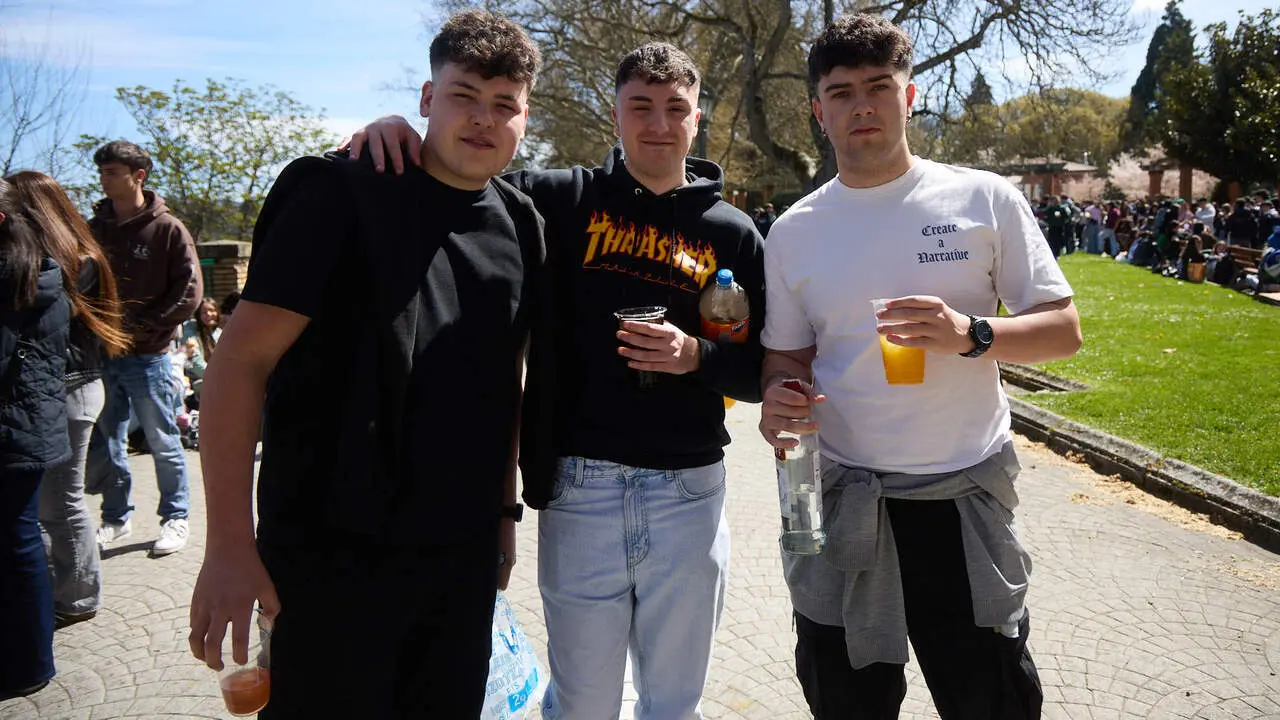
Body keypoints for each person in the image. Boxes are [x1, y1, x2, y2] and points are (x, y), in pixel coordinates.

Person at [347, 41, 765, 720]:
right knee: (583, 703)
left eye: (675, 108)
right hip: (580, 486)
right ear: (616, 114)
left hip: (690, 489)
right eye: (641, 107)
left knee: (674, 702)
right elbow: (455, 174)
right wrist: (391, 134)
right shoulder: (556, 199)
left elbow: (757, 372)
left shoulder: (735, 233)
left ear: (697, 119)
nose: (658, 123)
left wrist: (696, 357)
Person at [187, 11, 545, 718]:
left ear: (524, 117)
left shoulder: (522, 223)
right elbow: (240, 363)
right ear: (425, 98)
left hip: (460, 558)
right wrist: (228, 545)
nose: (482, 118)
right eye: (463, 94)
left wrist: (503, 516)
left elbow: (505, 381)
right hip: (329, 554)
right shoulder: (340, 191)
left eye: (504, 104)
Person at [757, 14, 1081, 719]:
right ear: (819, 112)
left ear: (909, 98)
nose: (861, 105)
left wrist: (972, 333)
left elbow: (1063, 330)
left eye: (879, 86)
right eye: (840, 92)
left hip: (961, 501)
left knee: (990, 700)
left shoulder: (984, 198)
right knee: (846, 701)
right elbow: (787, 354)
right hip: (844, 500)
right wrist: (779, 394)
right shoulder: (794, 230)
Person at [8, 171, 129, 630]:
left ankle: (78, 597)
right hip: (64, 389)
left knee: (62, 502)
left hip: (73, 388)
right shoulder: (60, 256)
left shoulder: (75, 260)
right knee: (52, 503)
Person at [86, 140, 201, 555]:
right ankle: (116, 518)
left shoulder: (167, 229)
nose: (103, 179)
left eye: (112, 171)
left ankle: (176, 517)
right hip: (102, 355)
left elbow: (189, 291)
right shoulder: (94, 229)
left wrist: (144, 328)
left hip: (149, 357)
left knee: (163, 439)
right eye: (101, 172)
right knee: (107, 440)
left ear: (138, 176)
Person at [0, 176, 71, 700]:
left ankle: (28, 662)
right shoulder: (32, 271)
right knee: (19, 539)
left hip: (16, 426)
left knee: (20, 541)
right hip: (26, 422)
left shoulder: (17, 277)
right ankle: (28, 655)